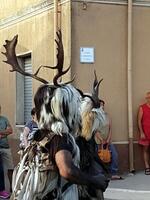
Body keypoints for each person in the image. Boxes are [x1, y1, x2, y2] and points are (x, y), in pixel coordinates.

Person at [9, 32, 109, 200]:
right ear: (63, 108)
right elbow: (67, 170)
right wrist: (95, 181)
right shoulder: (60, 138)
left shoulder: (40, 135)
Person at [94, 100, 122, 180]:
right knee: (99, 157)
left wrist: (108, 139)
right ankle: (100, 174)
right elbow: (95, 130)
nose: (101, 106)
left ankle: (113, 173)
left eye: (103, 105)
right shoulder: (95, 116)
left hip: (108, 141)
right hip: (98, 141)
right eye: (100, 105)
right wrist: (101, 140)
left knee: (114, 155)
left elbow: (110, 128)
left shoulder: (107, 116)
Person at [0, 105, 13, 193]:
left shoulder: (4, 119)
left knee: (10, 168)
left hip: (5, 147)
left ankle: (12, 188)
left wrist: (1, 133)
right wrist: (5, 133)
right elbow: (7, 131)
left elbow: (10, 130)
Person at [138, 92, 150, 175]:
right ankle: (147, 167)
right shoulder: (142, 108)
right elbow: (139, 121)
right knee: (146, 149)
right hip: (146, 131)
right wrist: (141, 132)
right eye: (148, 97)